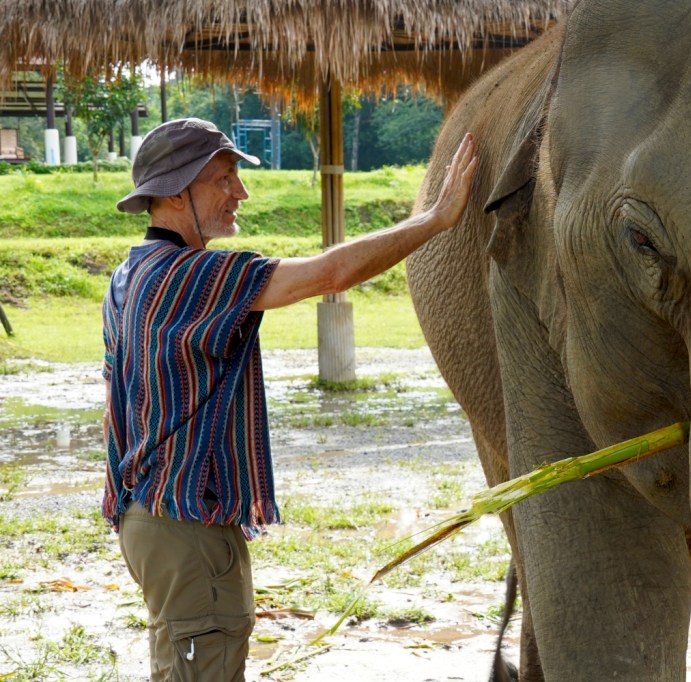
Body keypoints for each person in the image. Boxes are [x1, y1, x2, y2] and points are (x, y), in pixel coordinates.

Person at [100, 117, 477, 680]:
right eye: (225, 178)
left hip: (146, 518)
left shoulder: (129, 275)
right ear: (177, 191)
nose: (240, 193)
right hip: (185, 527)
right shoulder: (191, 276)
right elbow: (331, 273)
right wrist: (436, 219)